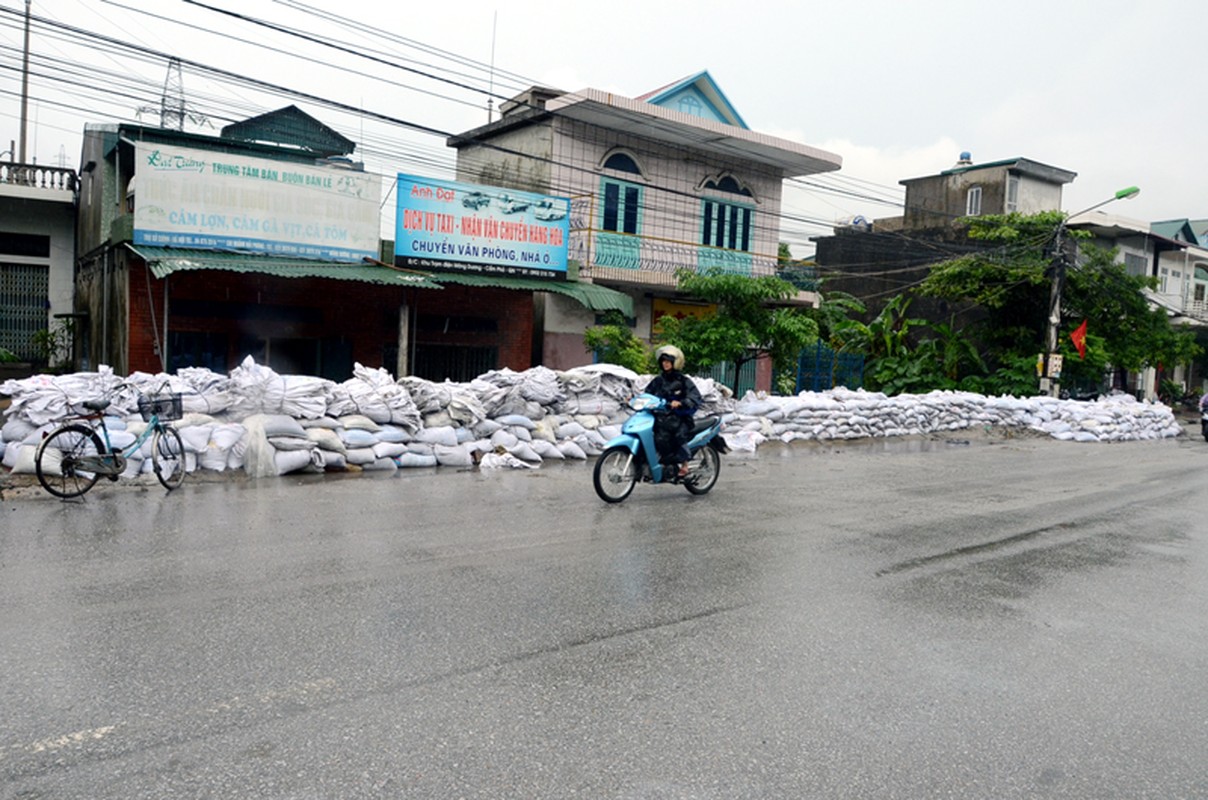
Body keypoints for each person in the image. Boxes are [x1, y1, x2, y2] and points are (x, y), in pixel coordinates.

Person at [642, 345, 702, 478]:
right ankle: (660, 461)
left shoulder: (683, 381)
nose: (665, 364)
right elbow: (647, 393)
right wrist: (635, 398)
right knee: (655, 435)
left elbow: (695, 397)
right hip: (661, 416)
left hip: (680, 417)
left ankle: (685, 464)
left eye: (668, 361)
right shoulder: (658, 380)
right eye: (663, 361)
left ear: (675, 363)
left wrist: (681, 403)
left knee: (678, 435)